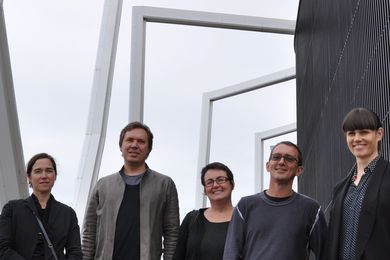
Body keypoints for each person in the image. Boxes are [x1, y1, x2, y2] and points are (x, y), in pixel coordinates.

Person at [82, 121, 180, 260]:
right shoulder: (103, 185)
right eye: (129, 140)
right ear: (121, 146)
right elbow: (89, 231)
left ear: (149, 148)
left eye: (141, 141)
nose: (134, 145)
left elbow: (172, 232)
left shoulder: (164, 184)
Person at [223, 141, 327, 260]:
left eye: (289, 158)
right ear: (268, 166)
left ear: (299, 170)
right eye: (276, 157)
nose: (281, 162)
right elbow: (231, 254)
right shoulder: (245, 206)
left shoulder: (311, 209)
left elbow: (326, 254)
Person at [327, 107, 390, 260]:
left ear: (379, 134)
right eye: (351, 134)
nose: (357, 139)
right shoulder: (340, 189)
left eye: (364, 132)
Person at [0, 153, 82, 260]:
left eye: (49, 171)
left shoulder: (68, 214)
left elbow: (75, 253)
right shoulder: (12, 209)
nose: (44, 176)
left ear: (55, 176)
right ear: (29, 177)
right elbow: (2, 248)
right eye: (38, 171)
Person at [174, 162, 235, 260]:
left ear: (232, 184)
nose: (215, 185)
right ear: (205, 189)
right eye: (209, 182)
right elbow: (178, 255)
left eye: (221, 180)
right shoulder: (192, 219)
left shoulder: (244, 219)